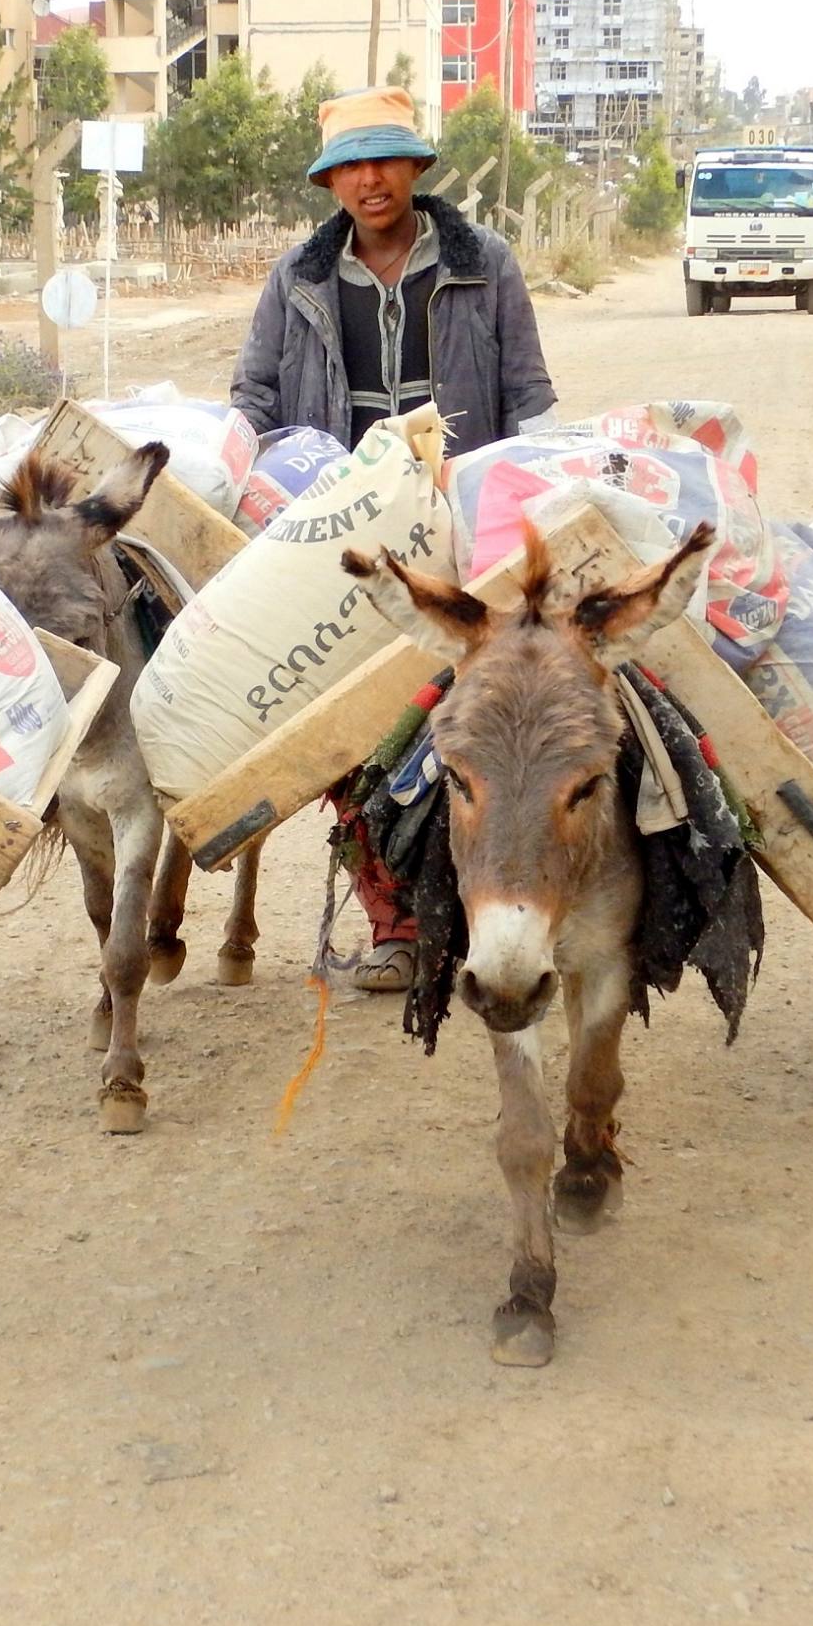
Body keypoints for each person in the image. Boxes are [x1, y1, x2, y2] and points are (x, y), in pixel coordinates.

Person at [231, 85, 559, 991]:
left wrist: (525, 495)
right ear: (330, 180)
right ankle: (396, 923)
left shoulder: (482, 263)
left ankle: (489, 910)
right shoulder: (298, 279)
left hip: (461, 522)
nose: (369, 180)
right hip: (341, 529)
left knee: (467, 724)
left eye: (385, 160)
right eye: (350, 166)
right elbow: (255, 399)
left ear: (416, 167)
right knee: (351, 730)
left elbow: (529, 395)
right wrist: (256, 484)